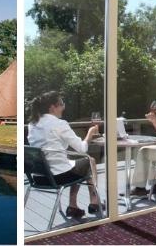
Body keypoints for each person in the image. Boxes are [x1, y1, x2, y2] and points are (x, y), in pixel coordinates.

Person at [26, 91, 103, 219]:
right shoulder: (60, 124)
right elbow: (82, 148)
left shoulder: (32, 124)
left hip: (38, 177)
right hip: (57, 177)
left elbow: (53, 147)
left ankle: (74, 206)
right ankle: (93, 201)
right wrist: (90, 133)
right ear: (52, 107)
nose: (64, 107)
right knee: (90, 160)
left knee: (77, 164)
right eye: (61, 104)